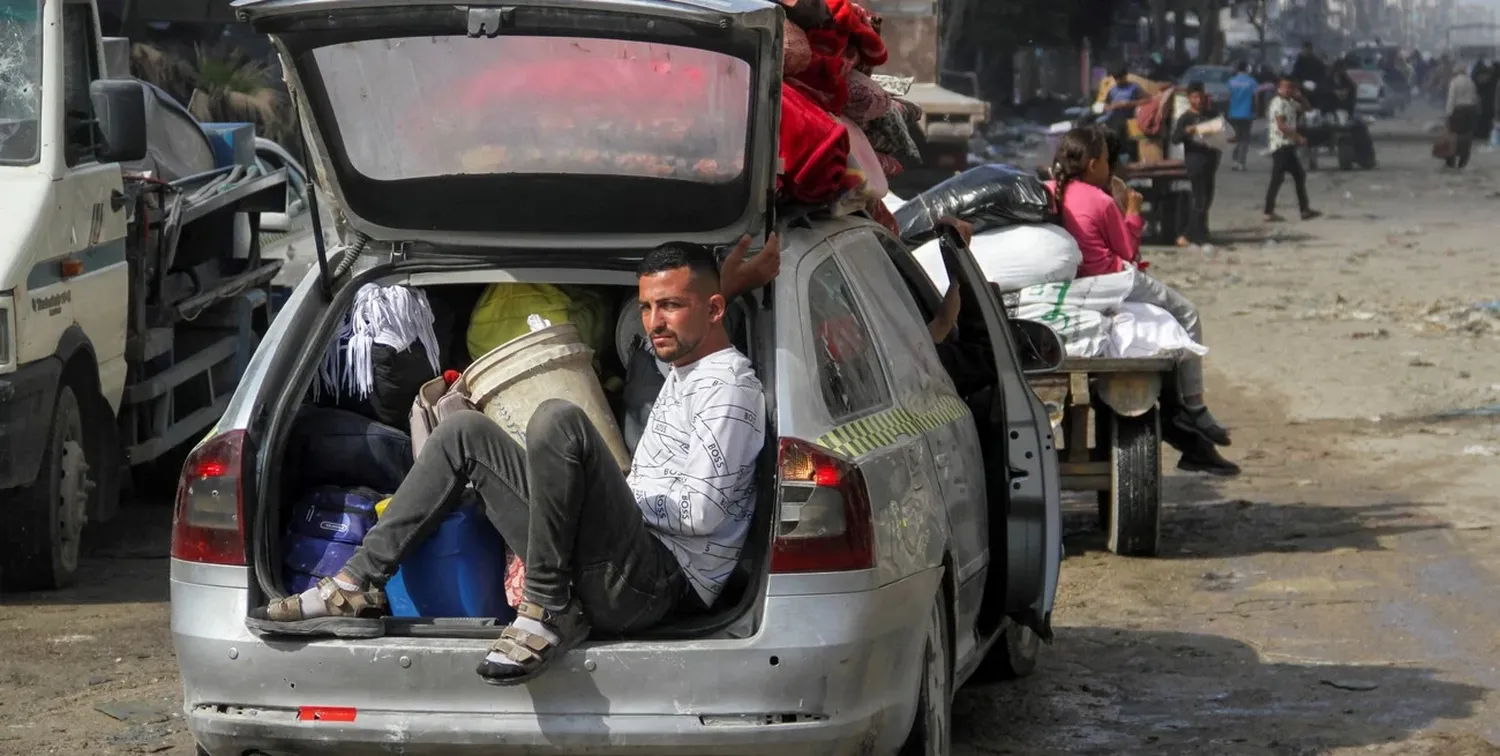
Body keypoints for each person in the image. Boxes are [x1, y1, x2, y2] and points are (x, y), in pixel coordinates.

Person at [248, 239, 770, 686]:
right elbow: (696, 314)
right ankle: (354, 584)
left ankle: (545, 610)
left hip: (655, 585)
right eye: (648, 307)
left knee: (557, 421)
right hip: (614, 561)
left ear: (715, 310)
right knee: (463, 432)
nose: (656, 322)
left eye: (672, 307)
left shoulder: (729, 389)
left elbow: (701, 514)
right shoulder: (682, 366)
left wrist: (607, 492)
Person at [1048, 126, 1232, 452]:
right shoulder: (1101, 200)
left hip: (1071, 286)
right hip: (1113, 280)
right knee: (1187, 312)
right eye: (1106, 161)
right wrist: (1133, 214)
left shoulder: (1049, 192)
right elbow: (1128, 251)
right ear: (1093, 165)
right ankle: (1195, 407)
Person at [1172, 82, 1223, 248]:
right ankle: (1188, 235)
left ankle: (1202, 233)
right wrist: (1188, 130)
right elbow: (1175, 138)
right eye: (1194, 97)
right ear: (1189, 98)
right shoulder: (1186, 118)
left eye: (1200, 96)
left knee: (1208, 199)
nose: (1198, 100)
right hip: (1195, 161)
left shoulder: (1211, 114)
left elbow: (1224, 133)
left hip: (1211, 160)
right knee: (1200, 199)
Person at [1264, 77, 1321, 222]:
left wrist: (1300, 97)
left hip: (1288, 145)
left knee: (1297, 176)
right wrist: (1298, 137)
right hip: (1280, 145)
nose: (1288, 90)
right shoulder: (1278, 103)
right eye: (1285, 87)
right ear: (1279, 88)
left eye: (1290, 88)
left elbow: (1308, 109)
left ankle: (1304, 209)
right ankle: (1270, 211)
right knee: (1279, 179)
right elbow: (1281, 125)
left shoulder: (1290, 102)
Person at [1445, 65, 1480, 170]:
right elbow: (1475, 98)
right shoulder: (1471, 82)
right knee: (1466, 135)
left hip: (1458, 110)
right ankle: (1464, 157)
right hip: (1470, 110)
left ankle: (1451, 159)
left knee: (1453, 135)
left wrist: (1448, 114)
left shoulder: (1454, 82)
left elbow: (1451, 98)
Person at [1227, 62, 1259, 170]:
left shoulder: (1231, 81)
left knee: (1236, 137)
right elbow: (1256, 98)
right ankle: (1241, 163)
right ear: (1247, 69)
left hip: (1233, 113)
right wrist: (1257, 111)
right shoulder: (1252, 81)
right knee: (1244, 139)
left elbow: (1228, 97)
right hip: (1247, 113)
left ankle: (1234, 161)